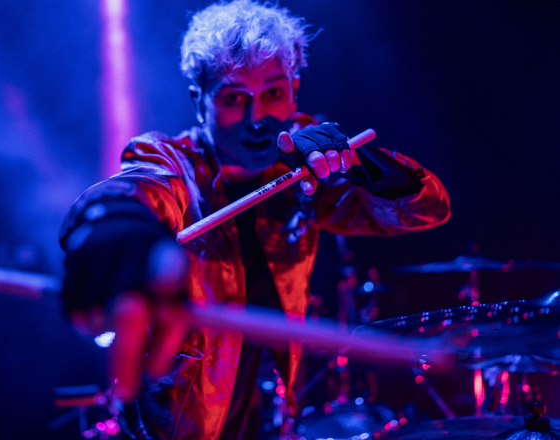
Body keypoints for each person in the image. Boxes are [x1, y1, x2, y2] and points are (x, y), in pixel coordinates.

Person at [59, 1, 451, 438]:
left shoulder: (304, 169)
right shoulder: (174, 162)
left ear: (294, 91)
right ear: (199, 102)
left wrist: (357, 163)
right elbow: (138, 187)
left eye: (273, 94)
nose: (257, 119)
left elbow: (427, 207)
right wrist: (115, 222)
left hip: (274, 422)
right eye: (233, 98)